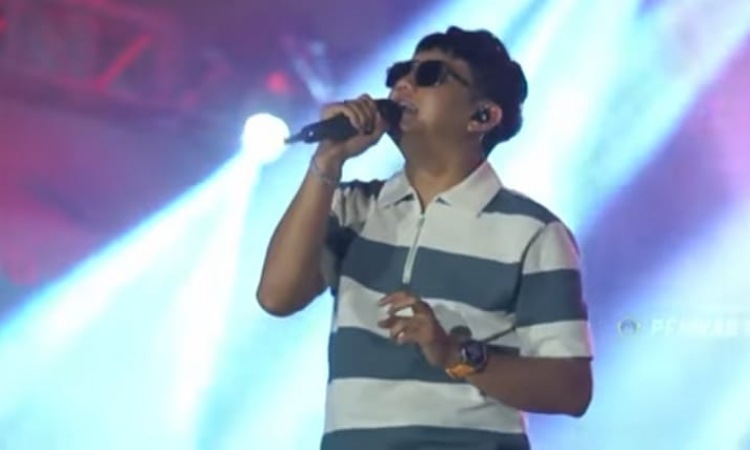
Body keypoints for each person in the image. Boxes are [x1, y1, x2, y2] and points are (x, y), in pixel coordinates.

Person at [257, 26, 593, 450]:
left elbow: (570, 388)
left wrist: (454, 354)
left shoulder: (534, 232)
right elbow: (276, 297)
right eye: (400, 72)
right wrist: (328, 160)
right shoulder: (351, 207)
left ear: (482, 117)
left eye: (429, 75)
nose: (403, 84)